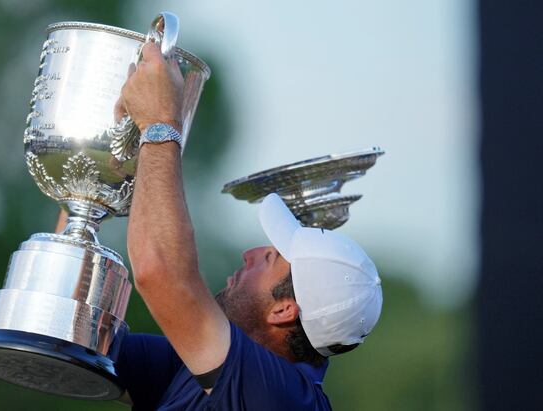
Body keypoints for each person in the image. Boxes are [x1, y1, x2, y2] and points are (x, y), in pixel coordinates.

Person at [61, 42, 383, 410]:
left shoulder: (278, 397)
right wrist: (88, 186)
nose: (249, 254)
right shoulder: (212, 368)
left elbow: (160, 273)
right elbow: (74, 337)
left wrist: (160, 124)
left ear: (284, 310)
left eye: (271, 257)